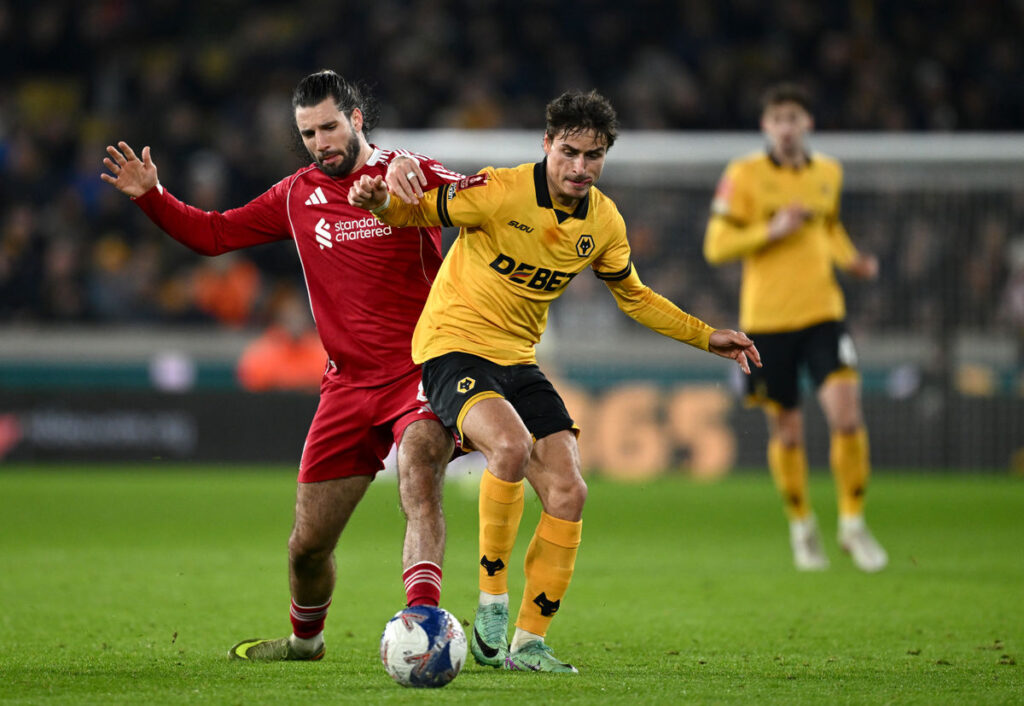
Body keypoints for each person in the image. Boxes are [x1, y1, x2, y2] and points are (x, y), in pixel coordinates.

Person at [349, 89, 761, 673]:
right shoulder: (498, 190)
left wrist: (705, 335)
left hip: (517, 360)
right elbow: (414, 212)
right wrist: (378, 201)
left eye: (593, 156)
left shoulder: (603, 222)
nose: (579, 167)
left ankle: (527, 643)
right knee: (511, 446)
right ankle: (491, 608)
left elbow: (635, 297)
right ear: (546, 146)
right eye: (568, 152)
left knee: (571, 490)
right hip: (453, 348)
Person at [101, 70, 465, 661]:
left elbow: (484, 199)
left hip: (421, 373)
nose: (322, 141)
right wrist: (152, 197)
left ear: (357, 119)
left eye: (330, 126)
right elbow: (216, 236)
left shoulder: (409, 173)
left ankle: (423, 622)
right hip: (346, 387)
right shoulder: (297, 195)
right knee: (306, 548)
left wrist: (431, 191)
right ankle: (305, 642)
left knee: (420, 475)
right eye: (309, 133)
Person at [703, 82, 888, 573]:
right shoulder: (743, 175)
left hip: (823, 313)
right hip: (767, 322)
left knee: (847, 415)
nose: (787, 127)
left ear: (808, 124)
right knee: (788, 433)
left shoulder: (829, 172)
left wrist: (852, 262)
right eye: (778, 118)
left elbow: (829, 228)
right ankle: (802, 525)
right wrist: (772, 229)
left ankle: (852, 522)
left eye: (795, 117)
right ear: (767, 126)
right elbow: (716, 245)